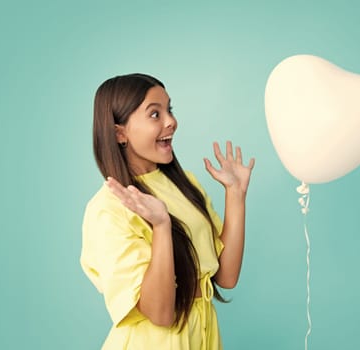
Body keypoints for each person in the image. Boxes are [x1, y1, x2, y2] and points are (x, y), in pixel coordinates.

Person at [80, 73, 255, 349]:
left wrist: (235, 195)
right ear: (120, 133)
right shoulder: (107, 209)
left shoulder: (185, 184)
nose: (171, 121)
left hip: (203, 333)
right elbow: (160, 314)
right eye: (154, 114)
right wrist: (161, 225)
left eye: (169, 110)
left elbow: (226, 276)